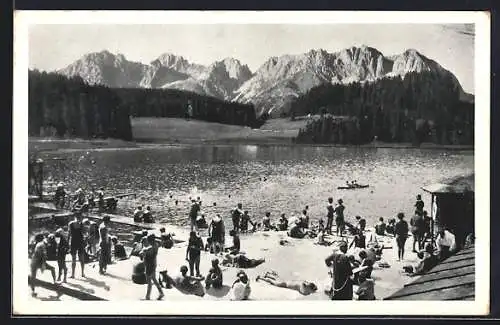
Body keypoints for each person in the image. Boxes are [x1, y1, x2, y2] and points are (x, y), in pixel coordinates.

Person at [140, 234, 164, 300]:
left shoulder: (151, 247)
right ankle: (161, 293)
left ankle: (147, 296)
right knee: (154, 279)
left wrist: (143, 251)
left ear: (150, 240)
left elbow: (146, 252)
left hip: (150, 265)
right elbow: (160, 242)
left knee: (149, 281)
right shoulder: (156, 244)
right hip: (153, 264)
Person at [68, 211, 86, 278]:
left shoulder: (71, 224)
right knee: (81, 258)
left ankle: (73, 274)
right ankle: (82, 273)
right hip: (80, 241)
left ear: (74, 216)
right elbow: (84, 233)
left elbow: (69, 234)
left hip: (74, 242)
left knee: (74, 259)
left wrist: (68, 243)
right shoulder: (81, 224)